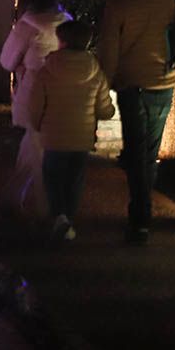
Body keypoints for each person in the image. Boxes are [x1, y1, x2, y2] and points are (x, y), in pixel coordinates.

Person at [98, 0, 175, 244]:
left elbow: (108, 54)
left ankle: (140, 217)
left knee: (135, 155)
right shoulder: (170, 0)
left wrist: (102, 91)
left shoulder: (118, 3)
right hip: (162, 87)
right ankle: (142, 217)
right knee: (149, 154)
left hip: (132, 88)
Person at [26, 19, 116, 242]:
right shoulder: (96, 71)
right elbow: (106, 110)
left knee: (53, 179)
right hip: (81, 139)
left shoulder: (46, 71)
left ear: (62, 41)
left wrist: (36, 124)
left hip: (53, 136)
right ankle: (68, 219)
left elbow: (35, 105)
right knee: (74, 181)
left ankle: (59, 218)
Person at [0, 0, 70, 216]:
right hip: (64, 94)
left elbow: (7, 60)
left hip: (33, 95)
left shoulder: (27, 26)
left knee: (38, 153)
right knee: (32, 149)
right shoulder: (66, 21)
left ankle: (47, 214)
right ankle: (11, 198)